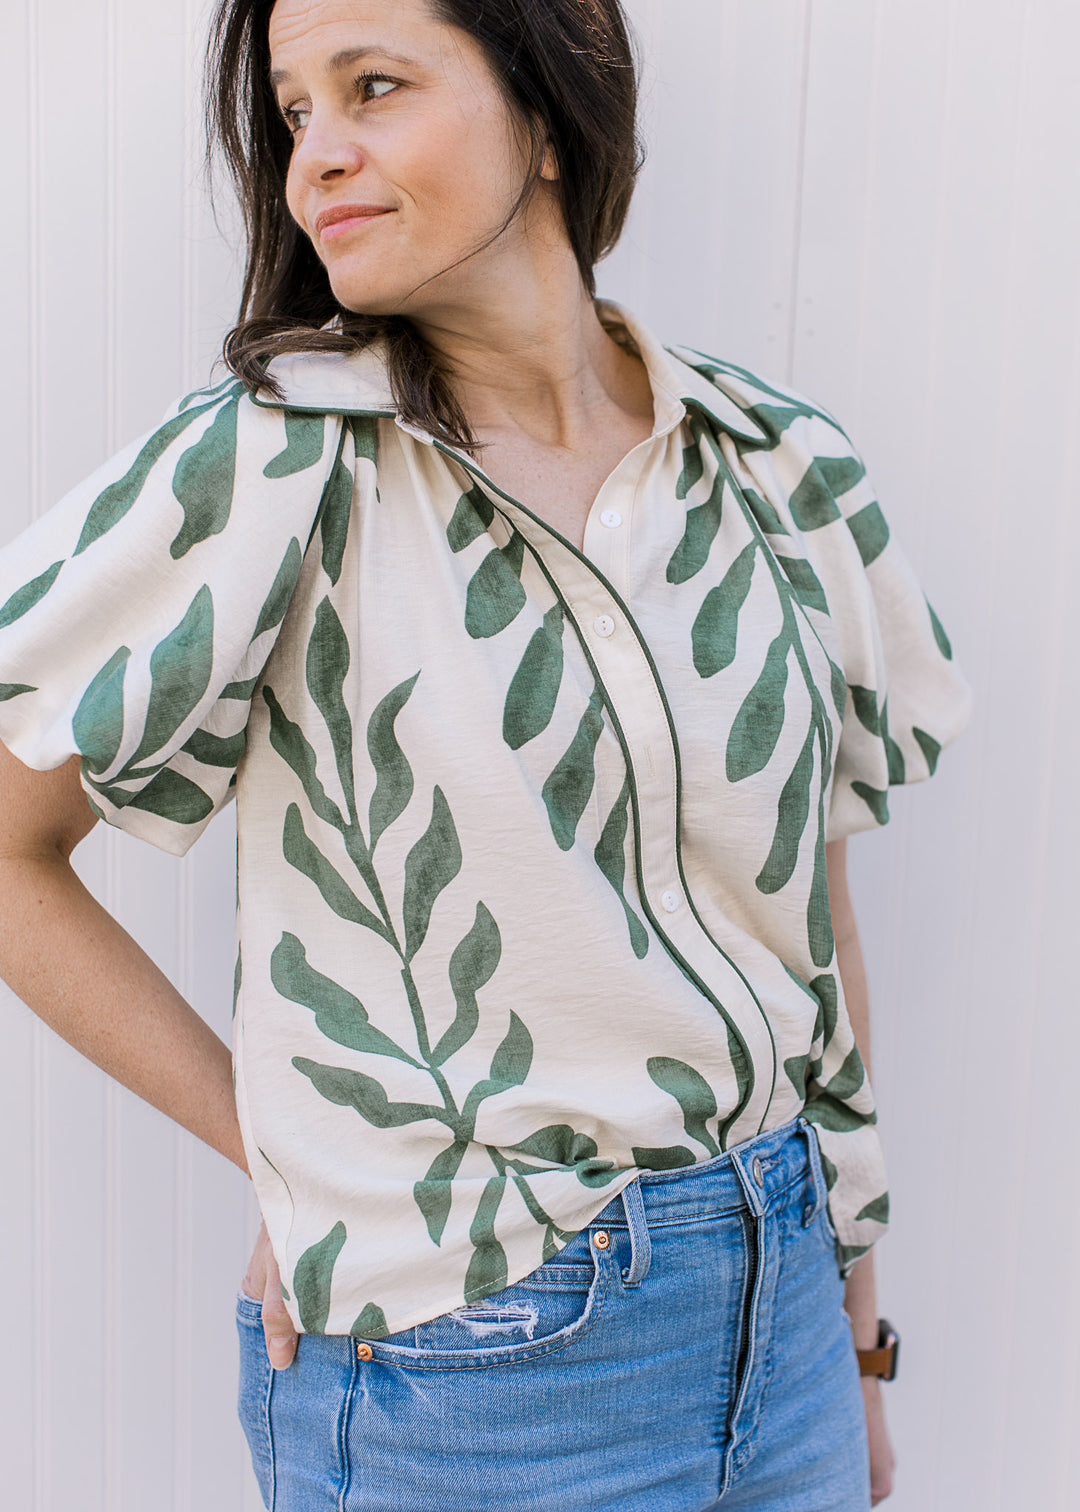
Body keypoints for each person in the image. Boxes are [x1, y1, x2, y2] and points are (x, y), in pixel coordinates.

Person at [0, 0, 972, 1507]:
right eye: (295, 109)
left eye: (372, 87)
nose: (318, 153)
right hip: (475, 1369)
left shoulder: (778, 469)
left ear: (548, 99)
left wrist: (852, 1332)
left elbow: (810, 924)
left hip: (784, 1324)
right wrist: (292, 1162)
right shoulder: (278, 461)